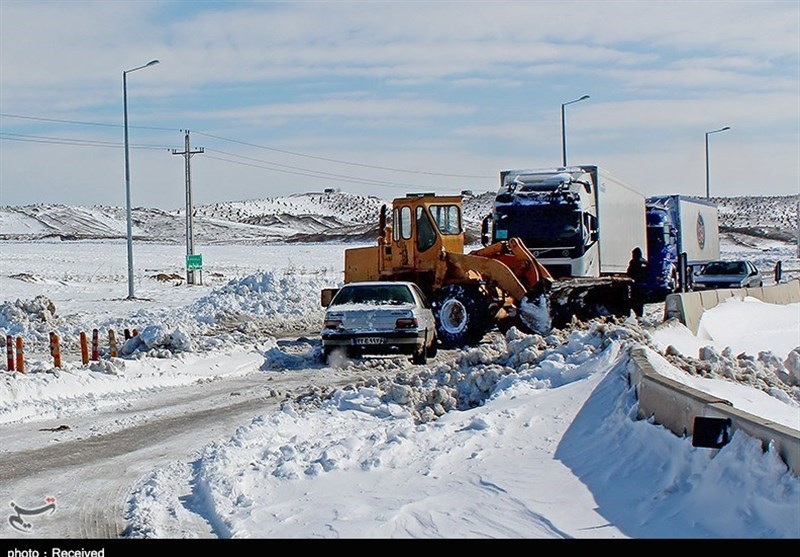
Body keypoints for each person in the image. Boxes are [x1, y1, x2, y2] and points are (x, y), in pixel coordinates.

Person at [626, 247, 648, 318]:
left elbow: (629, 272)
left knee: (635, 301)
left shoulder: (634, 262)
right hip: (643, 285)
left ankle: (636, 315)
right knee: (640, 302)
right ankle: (639, 315)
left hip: (636, 285)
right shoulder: (645, 262)